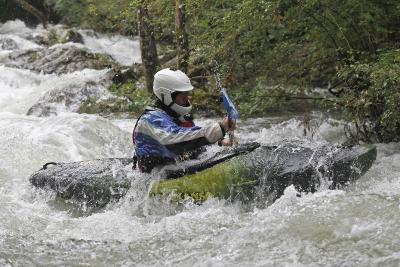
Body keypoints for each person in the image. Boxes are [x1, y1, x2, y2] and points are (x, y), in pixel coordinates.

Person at [132, 68, 236, 173]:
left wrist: (219, 142)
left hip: (174, 168)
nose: (187, 99)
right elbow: (175, 139)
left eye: (187, 94)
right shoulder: (149, 119)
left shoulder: (178, 117)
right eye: (183, 95)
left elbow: (193, 141)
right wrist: (220, 128)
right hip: (154, 177)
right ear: (166, 95)